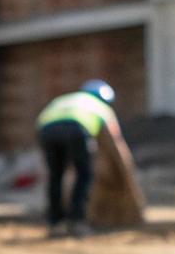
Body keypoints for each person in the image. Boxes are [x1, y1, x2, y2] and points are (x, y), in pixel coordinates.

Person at [35, 79, 122, 239]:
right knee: (84, 174)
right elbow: (115, 139)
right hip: (76, 130)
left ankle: (55, 223)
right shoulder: (101, 107)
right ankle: (77, 221)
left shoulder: (63, 99)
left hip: (47, 131)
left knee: (56, 176)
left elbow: (40, 120)